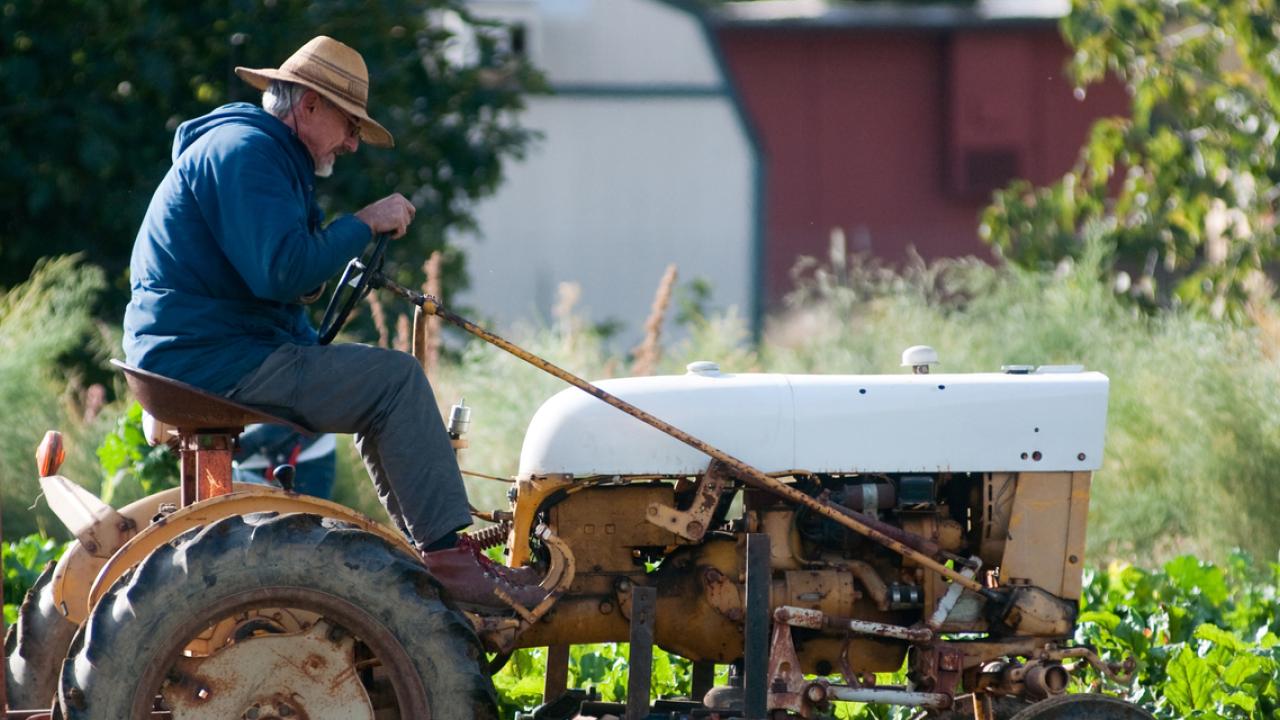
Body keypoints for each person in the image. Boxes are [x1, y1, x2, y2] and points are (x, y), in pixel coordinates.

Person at [123, 35, 542, 610]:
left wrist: (324, 258)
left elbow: (282, 275)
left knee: (377, 380)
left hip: (203, 350)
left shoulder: (261, 155)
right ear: (310, 104)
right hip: (206, 358)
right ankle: (448, 560)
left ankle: (440, 553)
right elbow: (280, 272)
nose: (351, 143)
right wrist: (364, 223)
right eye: (351, 125)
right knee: (394, 381)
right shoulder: (248, 154)